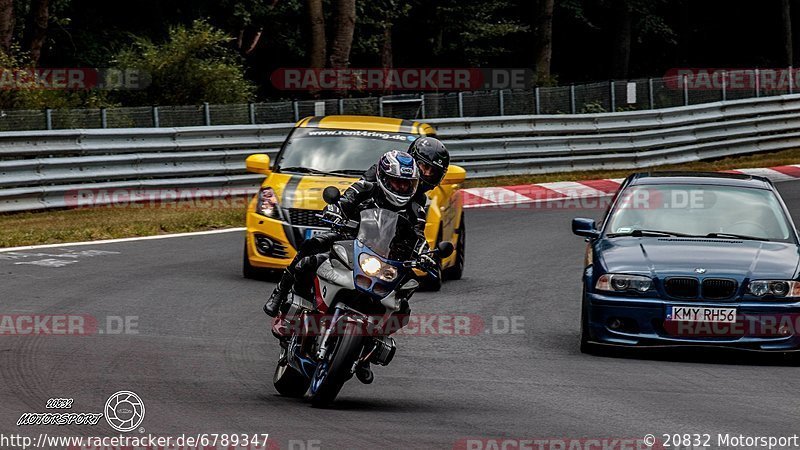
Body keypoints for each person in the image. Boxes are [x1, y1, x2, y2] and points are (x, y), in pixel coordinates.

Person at [263, 150, 427, 318]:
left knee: (408, 289)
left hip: (387, 255)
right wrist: (335, 209)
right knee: (311, 250)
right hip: (351, 239)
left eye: (406, 184)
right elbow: (345, 200)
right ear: (384, 178)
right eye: (396, 182)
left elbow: (419, 235)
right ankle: (280, 293)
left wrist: (425, 254)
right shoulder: (365, 188)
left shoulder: (416, 210)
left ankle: (380, 333)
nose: (401, 187)